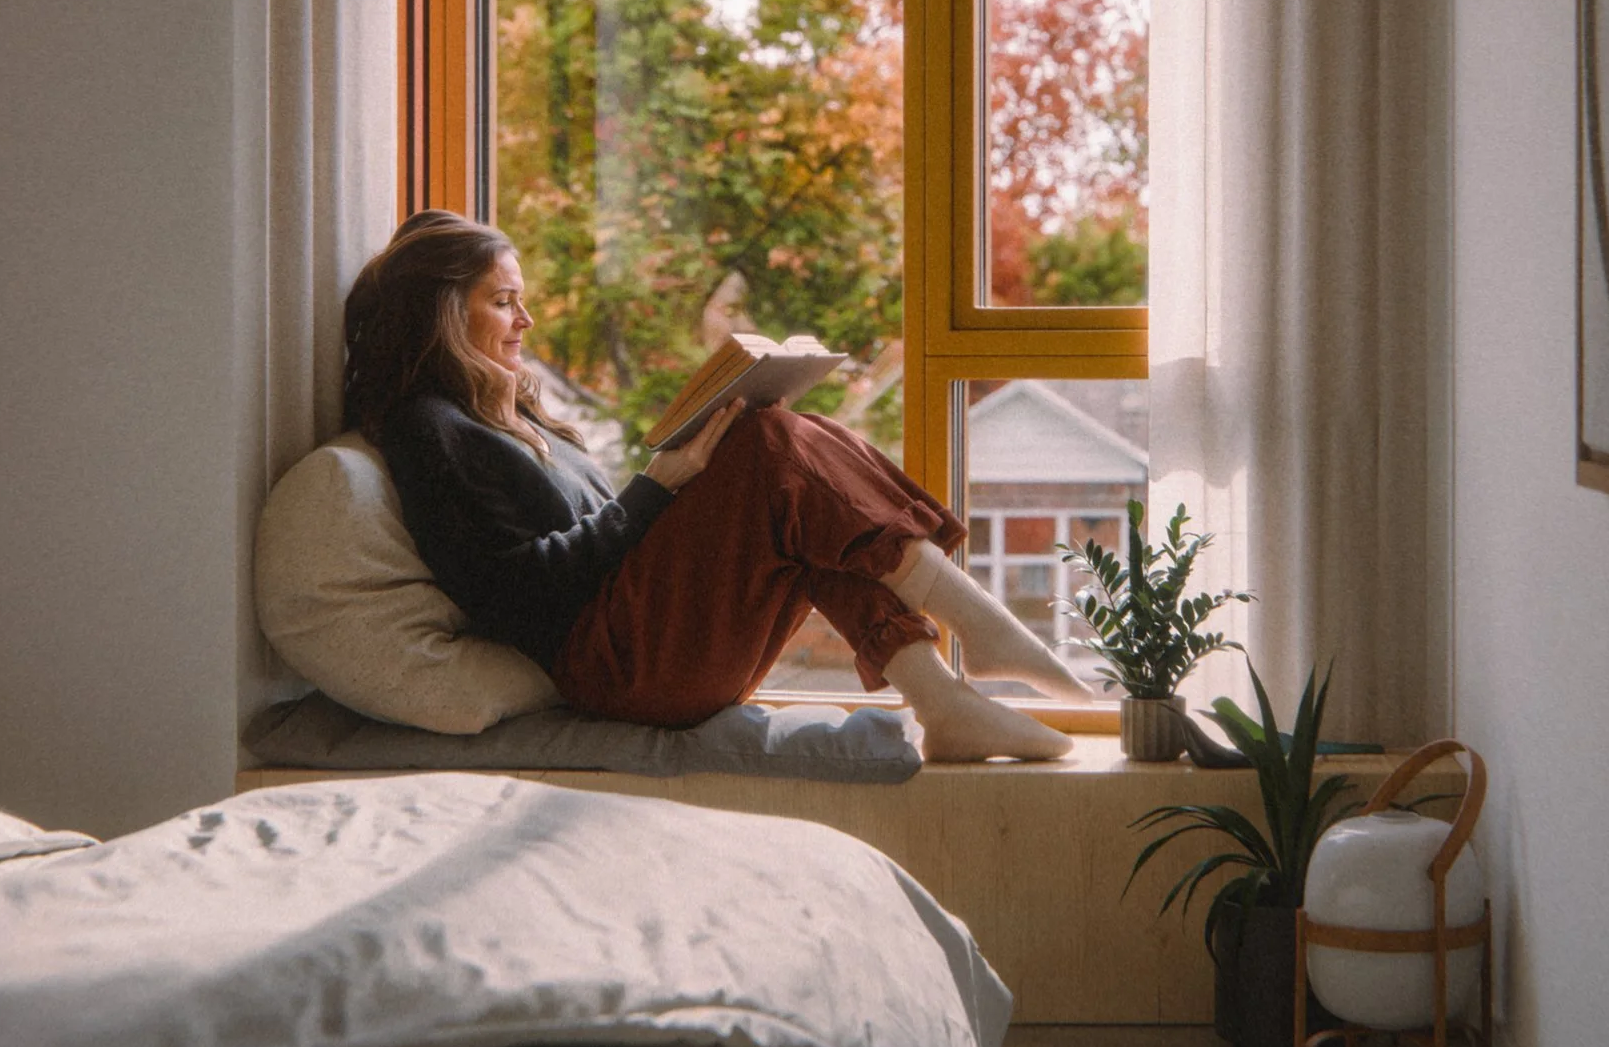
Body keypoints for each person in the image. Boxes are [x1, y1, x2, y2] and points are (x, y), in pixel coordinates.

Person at [343, 209, 1097, 763]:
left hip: (636, 641)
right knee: (773, 445)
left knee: (789, 457)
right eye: (503, 301)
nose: (527, 319)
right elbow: (517, 592)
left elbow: (596, 542)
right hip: (613, 667)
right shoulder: (427, 429)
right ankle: (982, 629)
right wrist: (654, 489)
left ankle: (941, 700)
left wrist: (671, 486)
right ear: (444, 312)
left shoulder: (506, 410)